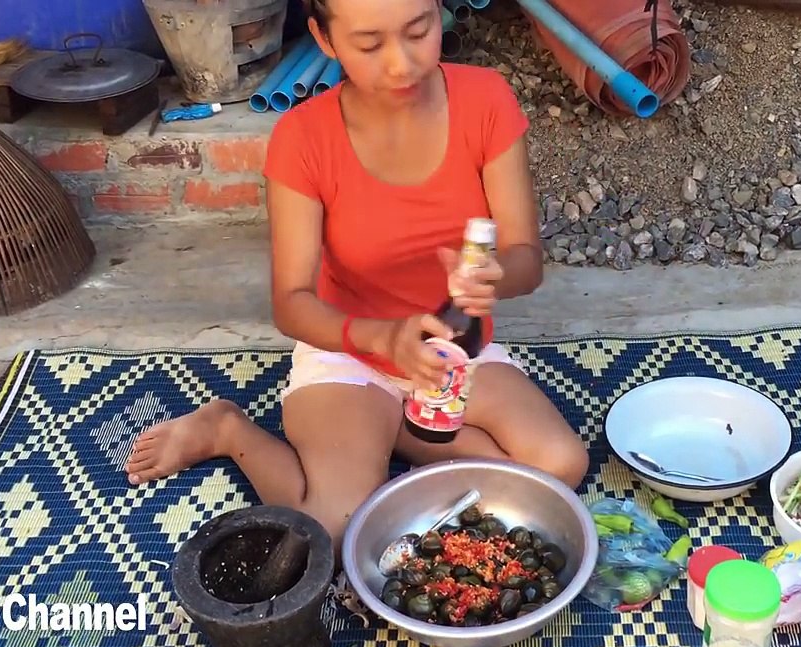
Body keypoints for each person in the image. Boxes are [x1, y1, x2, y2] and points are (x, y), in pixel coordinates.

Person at [122, 0, 590, 555]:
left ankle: (398, 430)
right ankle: (228, 429)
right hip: (349, 350)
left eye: (419, 30)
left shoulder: (485, 99)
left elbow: (525, 260)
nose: (401, 64)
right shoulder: (304, 137)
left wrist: (495, 275)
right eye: (369, 45)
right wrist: (384, 339)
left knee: (561, 466)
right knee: (334, 530)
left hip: (454, 350)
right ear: (324, 39)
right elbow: (293, 303)